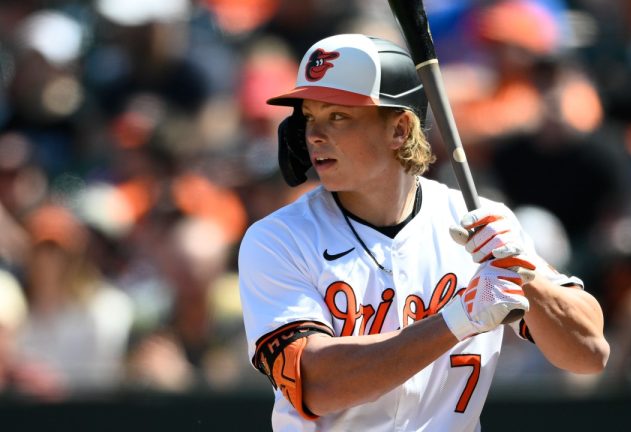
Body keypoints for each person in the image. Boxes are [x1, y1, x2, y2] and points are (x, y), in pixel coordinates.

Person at [238, 33, 609, 431]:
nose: (314, 135)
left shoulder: (474, 219)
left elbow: (589, 353)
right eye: (310, 116)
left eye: (338, 116)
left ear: (399, 130)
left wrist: (527, 277)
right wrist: (458, 318)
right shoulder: (278, 239)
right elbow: (315, 384)